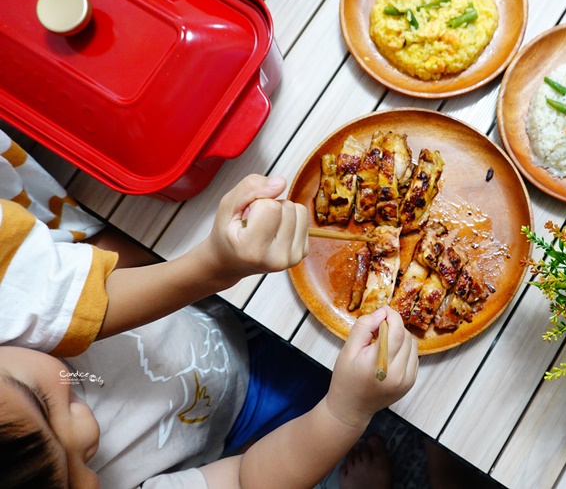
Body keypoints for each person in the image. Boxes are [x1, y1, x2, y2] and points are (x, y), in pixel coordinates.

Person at [0, 129, 418, 488]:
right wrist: (345, 410)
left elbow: (81, 293)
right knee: (331, 403)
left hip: (216, 327)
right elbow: (244, 479)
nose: (85, 430)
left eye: (40, 400)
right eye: (76, 479)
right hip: (243, 421)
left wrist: (215, 263)